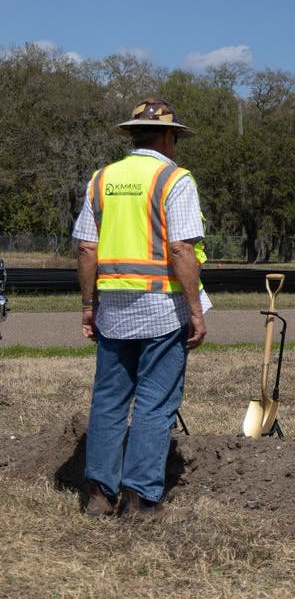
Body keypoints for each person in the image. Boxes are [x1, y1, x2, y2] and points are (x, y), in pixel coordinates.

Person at [73, 98, 210, 519]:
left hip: (113, 307)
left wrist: (88, 306)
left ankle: (98, 494)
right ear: (169, 137)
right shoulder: (174, 179)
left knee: (110, 400)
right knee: (154, 402)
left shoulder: (102, 179)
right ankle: (141, 499)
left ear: (133, 135)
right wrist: (195, 311)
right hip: (162, 308)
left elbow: (86, 248)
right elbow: (182, 248)